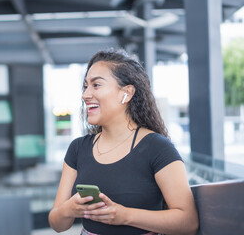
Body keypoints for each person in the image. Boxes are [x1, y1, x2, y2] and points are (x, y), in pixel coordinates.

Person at [48, 48, 199, 235]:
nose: (85, 95)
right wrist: (69, 209)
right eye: (85, 86)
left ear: (126, 93)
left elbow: (188, 222)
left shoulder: (157, 148)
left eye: (96, 85)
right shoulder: (78, 149)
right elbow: (57, 224)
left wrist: (125, 215)